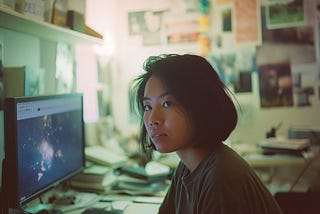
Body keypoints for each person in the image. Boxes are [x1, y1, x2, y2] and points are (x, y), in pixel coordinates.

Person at [131, 54, 283, 214]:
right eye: (147, 106)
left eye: (167, 103)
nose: (152, 119)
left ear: (199, 107)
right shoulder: (186, 167)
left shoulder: (220, 178)